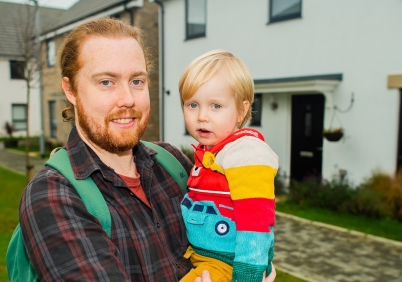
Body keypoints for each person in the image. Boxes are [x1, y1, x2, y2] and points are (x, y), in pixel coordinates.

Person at [19, 18, 276, 282]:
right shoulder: (53, 195)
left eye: (137, 81)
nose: (128, 99)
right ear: (70, 89)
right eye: (107, 82)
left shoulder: (172, 164)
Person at [178, 50, 279, 282]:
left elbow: (256, 219)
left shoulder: (245, 153)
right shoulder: (212, 151)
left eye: (216, 106)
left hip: (228, 264)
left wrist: (247, 275)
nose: (202, 116)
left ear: (242, 110)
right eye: (192, 104)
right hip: (206, 256)